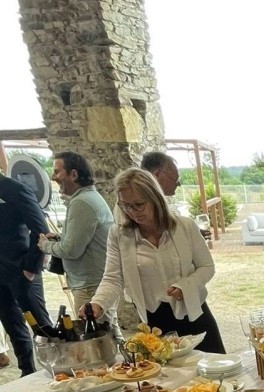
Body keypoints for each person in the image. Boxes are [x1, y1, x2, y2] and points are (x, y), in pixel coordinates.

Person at [85, 168, 226, 353]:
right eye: (125, 205)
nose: (132, 212)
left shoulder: (185, 227)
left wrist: (187, 285)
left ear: (156, 199)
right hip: (155, 324)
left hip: (195, 316)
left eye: (138, 204)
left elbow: (207, 267)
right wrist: (98, 303)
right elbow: (113, 278)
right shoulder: (119, 235)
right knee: (170, 380)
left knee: (217, 377)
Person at [37, 151, 114, 317]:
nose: (53, 177)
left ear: (73, 174)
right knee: (106, 333)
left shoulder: (81, 202)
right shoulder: (88, 197)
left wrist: (46, 245)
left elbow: (71, 250)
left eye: (57, 171)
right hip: (93, 282)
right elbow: (83, 239)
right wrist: (60, 238)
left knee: (95, 337)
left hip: (89, 286)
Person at [0, 169, 52, 375]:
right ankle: (27, 372)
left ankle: (60, 372)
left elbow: (40, 229)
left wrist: (31, 268)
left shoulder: (15, 189)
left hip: (21, 269)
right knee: (13, 327)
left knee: (42, 327)